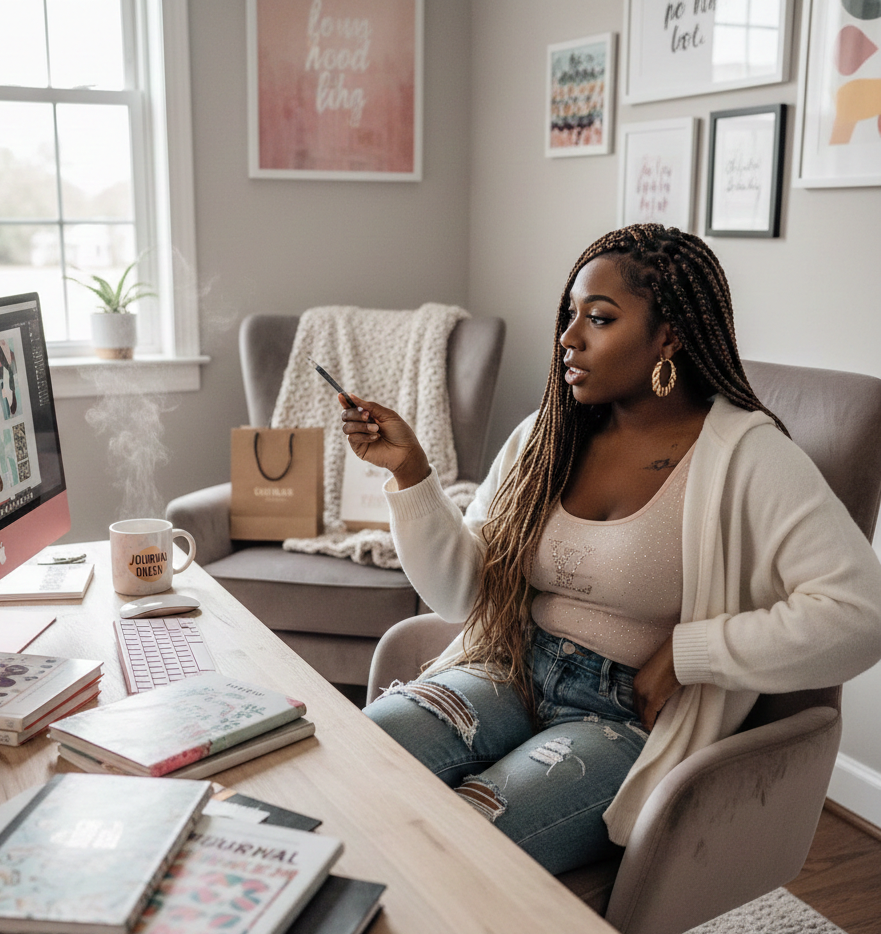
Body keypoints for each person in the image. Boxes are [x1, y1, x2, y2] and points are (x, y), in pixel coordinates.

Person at [337, 224, 881, 875]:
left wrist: (688, 653)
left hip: (626, 718)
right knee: (354, 766)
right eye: (570, 315)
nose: (568, 338)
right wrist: (412, 475)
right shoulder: (548, 433)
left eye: (599, 318)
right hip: (508, 668)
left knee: (459, 848)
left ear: (669, 336)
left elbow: (860, 616)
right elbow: (459, 593)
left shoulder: (748, 457)